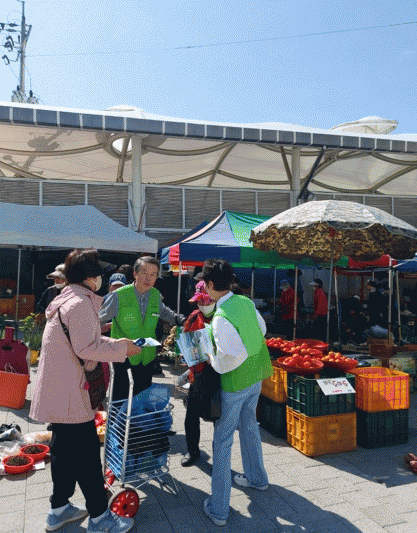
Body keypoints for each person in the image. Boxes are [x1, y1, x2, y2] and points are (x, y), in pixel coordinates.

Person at [29, 249, 143, 533]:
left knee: (63, 452)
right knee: (88, 456)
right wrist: (122, 350)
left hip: (61, 390)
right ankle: (100, 517)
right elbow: (87, 348)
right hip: (71, 392)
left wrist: (118, 343)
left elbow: (86, 340)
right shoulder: (80, 303)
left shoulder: (68, 298)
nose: (101, 278)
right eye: (99, 273)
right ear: (90, 277)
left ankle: (59, 508)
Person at [199, 259, 273, 527]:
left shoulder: (221, 316)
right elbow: (262, 330)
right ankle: (257, 479)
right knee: (250, 426)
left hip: (236, 382)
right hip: (257, 373)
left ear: (209, 284)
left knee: (222, 441)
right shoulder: (244, 302)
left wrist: (210, 357)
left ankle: (219, 509)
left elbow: (230, 356)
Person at [99, 256, 186, 401]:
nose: (148, 278)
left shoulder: (155, 295)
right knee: (121, 399)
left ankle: (138, 417)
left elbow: (165, 312)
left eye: (153, 274)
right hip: (124, 356)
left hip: (147, 357)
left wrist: (181, 320)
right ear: (135, 274)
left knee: (142, 400)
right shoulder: (119, 295)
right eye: (144, 273)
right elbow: (98, 319)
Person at [181, 281, 216, 467]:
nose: (203, 304)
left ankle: (220, 455)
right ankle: (192, 451)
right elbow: (186, 339)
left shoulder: (222, 316)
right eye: (199, 301)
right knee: (191, 415)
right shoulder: (194, 316)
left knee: (218, 415)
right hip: (198, 373)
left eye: (206, 300)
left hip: (219, 373)